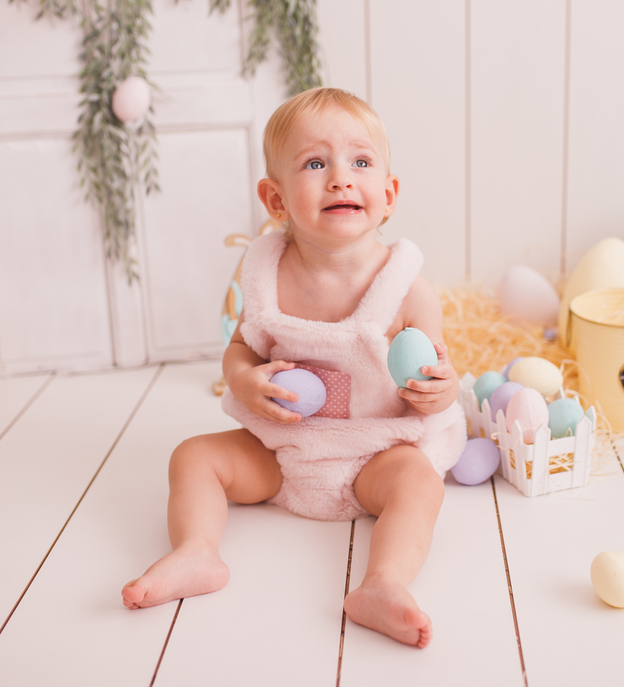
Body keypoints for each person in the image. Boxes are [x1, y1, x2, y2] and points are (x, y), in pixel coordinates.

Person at [122, 87, 467, 649]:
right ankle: (196, 553)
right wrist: (243, 379)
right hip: (283, 452)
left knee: (420, 483)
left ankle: (383, 583)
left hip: (372, 454)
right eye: (315, 163)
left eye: (360, 162)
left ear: (389, 193)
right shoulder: (264, 273)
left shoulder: (405, 288)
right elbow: (240, 347)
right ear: (275, 199)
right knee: (194, 456)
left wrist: (439, 392)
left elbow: (432, 373)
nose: (340, 178)